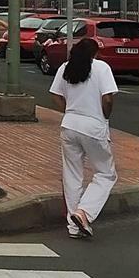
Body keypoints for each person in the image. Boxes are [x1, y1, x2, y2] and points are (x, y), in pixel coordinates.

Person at [49, 37, 119, 239]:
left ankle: (73, 226)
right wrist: (105, 115)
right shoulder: (101, 67)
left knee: (71, 175)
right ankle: (84, 212)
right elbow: (107, 97)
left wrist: (69, 110)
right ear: (94, 53)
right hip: (93, 126)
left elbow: (55, 94)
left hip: (69, 124)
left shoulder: (65, 67)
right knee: (106, 173)